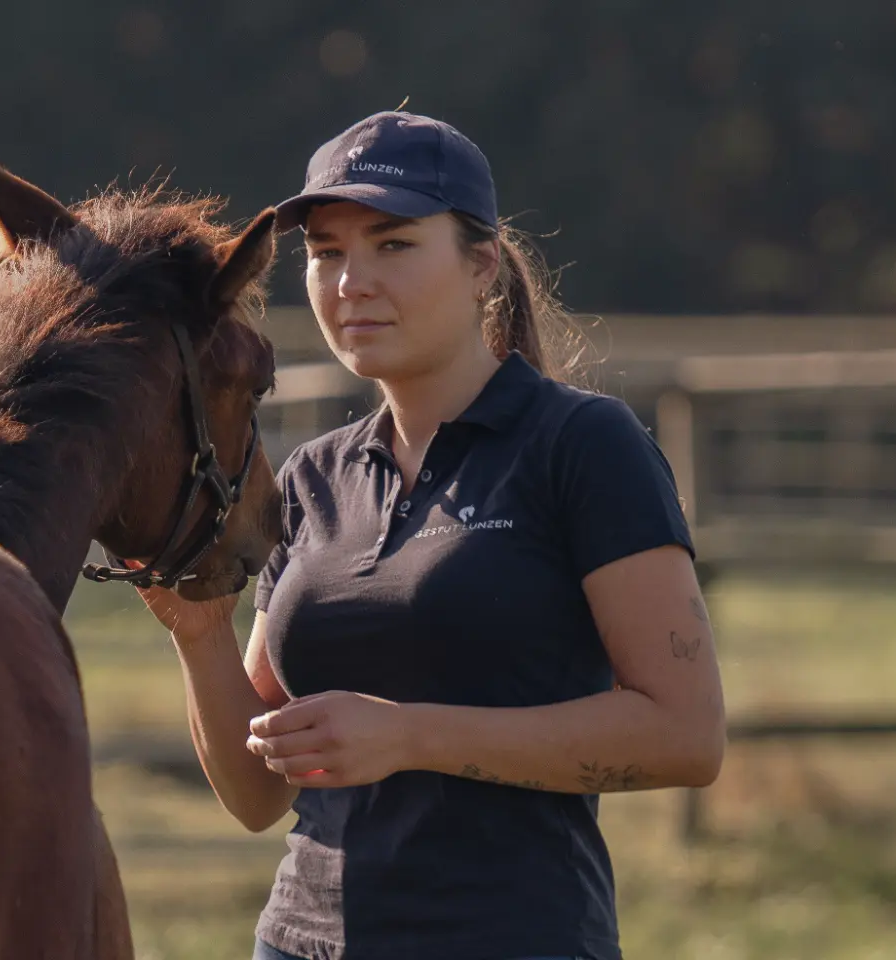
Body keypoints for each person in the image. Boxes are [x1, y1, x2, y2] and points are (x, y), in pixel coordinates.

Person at [134, 111, 727, 960]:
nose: (350, 282)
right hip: (298, 943)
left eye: (394, 245)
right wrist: (200, 635)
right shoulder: (309, 478)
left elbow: (686, 735)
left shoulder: (584, 445)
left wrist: (409, 735)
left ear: (482, 263)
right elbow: (258, 796)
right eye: (327, 252)